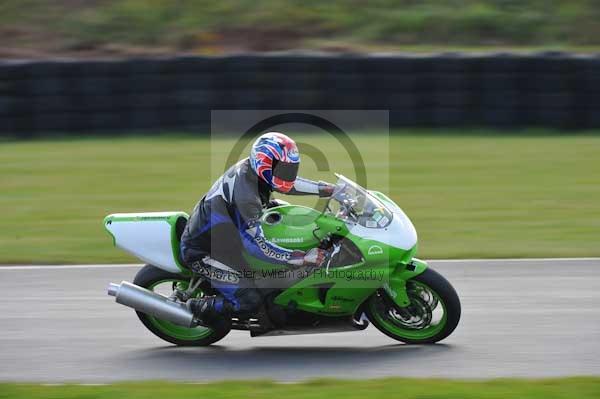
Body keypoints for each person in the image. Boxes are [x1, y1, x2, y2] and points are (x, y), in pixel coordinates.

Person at [181, 132, 335, 327]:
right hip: (204, 251)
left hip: (229, 237)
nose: (287, 173)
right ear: (265, 164)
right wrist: (301, 258)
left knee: (284, 213)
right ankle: (198, 307)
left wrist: (329, 190)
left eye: (290, 168)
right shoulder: (247, 196)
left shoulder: (254, 170)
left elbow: (287, 184)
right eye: (284, 169)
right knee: (249, 301)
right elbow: (258, 247)